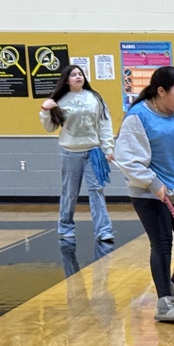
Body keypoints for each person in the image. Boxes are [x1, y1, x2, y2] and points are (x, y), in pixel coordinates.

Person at [113, 66, 174, 324]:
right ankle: (164, 302)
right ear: (161, 91)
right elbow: (127, 160)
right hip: (150, 194)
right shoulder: (138, 117)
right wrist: (152, 182)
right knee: (162, 244)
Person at [40, 65, 115, 242]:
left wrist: (109, 148)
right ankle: (65, 227)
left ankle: (103, 230)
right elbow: (50, 127)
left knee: (97, 190)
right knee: (70, 192)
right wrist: (44, 110)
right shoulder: (60, 100)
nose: (78, 77)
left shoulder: (95, 98)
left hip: (93, 152)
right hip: (70, 153)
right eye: (73, 75)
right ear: (66, 80)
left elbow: (104, 123)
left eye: (80, 74)